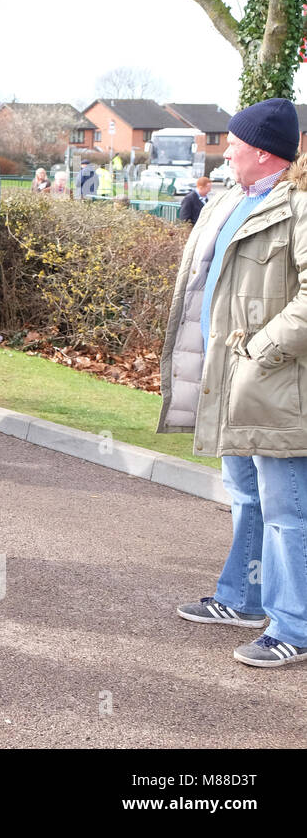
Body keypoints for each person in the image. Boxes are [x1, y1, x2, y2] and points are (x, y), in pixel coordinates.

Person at [159, 97, 307, 668]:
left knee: (287, 510)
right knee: (246, 496)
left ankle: (294, 624)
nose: (226, 151)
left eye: (234, 143)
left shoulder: (296, 206)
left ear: (262, 154)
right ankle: (242, 598)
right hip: (231, 382)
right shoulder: (231, 202)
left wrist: (262, 349)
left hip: (275, 385)